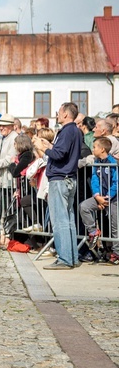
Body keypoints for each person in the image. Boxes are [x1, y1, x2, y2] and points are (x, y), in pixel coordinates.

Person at [34, 102, 83, 270]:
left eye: (59, 112)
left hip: (60, 178)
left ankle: (65, 258)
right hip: (69, 178)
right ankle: (72, 257)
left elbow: (59, 154)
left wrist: (45, 149)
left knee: (60, 220)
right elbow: (64, 152)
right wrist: (50, 146)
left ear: (66, 115)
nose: (57, 114)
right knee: (68, 220)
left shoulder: (67, 130)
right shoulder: (75, 130)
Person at [79, 137, 118, 255]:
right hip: (100, 197)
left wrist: (108, 197)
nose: (92, 149)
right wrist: (97, 196)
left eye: (95, 147)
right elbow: (94, 180)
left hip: (113, 199)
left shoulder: (113, 162)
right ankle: (93, 231)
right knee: (84, 206)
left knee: (115, 225)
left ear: (102, 149)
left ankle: (116, 253)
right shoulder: (96, 162)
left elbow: (116, 182)